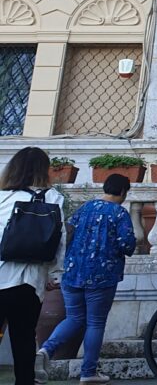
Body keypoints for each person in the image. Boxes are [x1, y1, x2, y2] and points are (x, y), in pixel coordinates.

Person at [35, 174, 135, 385]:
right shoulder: (119, 213)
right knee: (95, 323)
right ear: (123, 192)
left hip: (72, 274)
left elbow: (66, 234)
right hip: (102, 276)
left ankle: (46, 349)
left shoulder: (84, 208)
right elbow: (127, 245)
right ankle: (88, 371)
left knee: (73, 318)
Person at [0, 147, 65, 385]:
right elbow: (60, 240)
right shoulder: (53, 198)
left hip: (1, 276)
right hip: (30, 282)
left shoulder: (2, 197)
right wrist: (54, 274)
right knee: (24, 340)